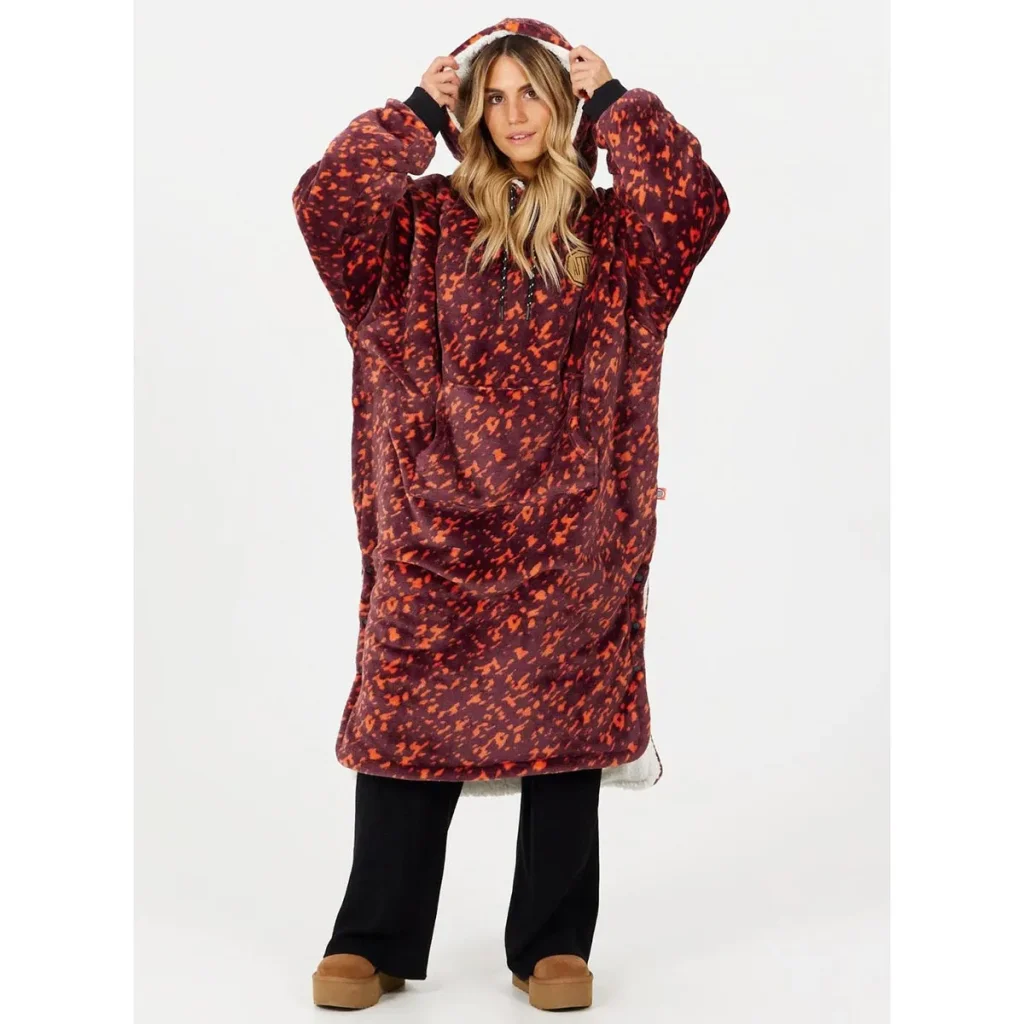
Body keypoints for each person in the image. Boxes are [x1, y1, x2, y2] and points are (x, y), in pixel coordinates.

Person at [292, 16, 730, 1012]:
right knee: (406, 716)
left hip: (573, 527)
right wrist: (412, 112)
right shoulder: (416, 224)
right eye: (493, 96)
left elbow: (694, 203)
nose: (515, 113)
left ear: (564, 104)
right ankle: (372, 937)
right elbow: (325, 203)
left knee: (566, 720)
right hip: (436, 527)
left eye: (533, 91)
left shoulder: (617, 236)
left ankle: (551, 943)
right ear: (470, 111)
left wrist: (619, 101)